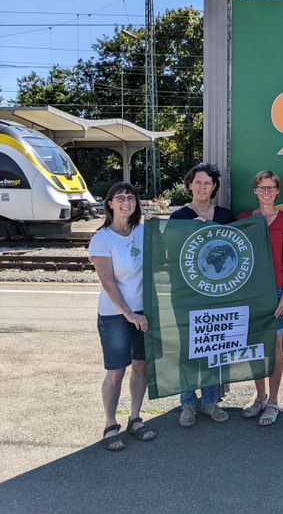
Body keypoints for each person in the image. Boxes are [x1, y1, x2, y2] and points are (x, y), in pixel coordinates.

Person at [89, 182, 157, 451]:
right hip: (115, 314)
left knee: (141, 365)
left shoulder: (142, 232)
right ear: (110, 204)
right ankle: (110, 424)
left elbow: (170, 240)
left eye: (131, 197)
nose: (126, 202)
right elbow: (108, 282)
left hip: (143, 312)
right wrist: (128, 313)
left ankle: (135, 418)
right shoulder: (102, 239)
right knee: (116, 371)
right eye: (120, 198)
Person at [169, 162, 235, 427]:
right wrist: (189, 232)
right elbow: (170, 253)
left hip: (216, 294)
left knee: (213, 346)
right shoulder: (179, 218)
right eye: (198, 182)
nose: (202, 187)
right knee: (187, 348)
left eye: (207, 183)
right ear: (189, 185)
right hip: (185, 293)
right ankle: (187, 402)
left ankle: (209, 402)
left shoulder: (225, 217)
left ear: (214, 187)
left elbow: (235, 252)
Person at [238, 170, 283, 426]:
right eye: (262, 188)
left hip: (275, 290)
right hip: (250, 292)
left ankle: (273, 401)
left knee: (275, 346)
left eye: (271, 188)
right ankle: (259, 397)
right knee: (254, 346)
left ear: (278, 191)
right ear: (255, 190)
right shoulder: (244, 219)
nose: (266, 192)